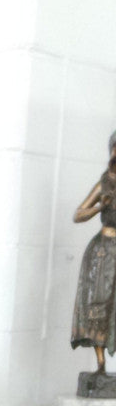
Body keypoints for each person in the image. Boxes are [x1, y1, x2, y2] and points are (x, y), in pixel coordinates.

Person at [72, 131, 116, 373]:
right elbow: (78, 214)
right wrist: (101, 206)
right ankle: (100, 363)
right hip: (103, 251)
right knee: (98, 304)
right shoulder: (104, 184)